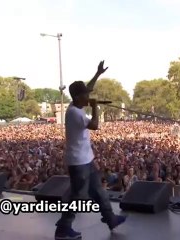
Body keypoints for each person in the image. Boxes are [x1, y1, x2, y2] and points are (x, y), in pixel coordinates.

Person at [55, 61, 126, 240]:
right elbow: (94, 125)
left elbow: (87, 88)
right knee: (77, 197)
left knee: (99, 190)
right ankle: (63, 229)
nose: (88, 96)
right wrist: (95, 107)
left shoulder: (75, 106)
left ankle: (111, 219)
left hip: (86, 159)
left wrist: (97, 74)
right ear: (78, 97)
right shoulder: (75, 113)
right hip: (78, 163)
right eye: (86, 95)